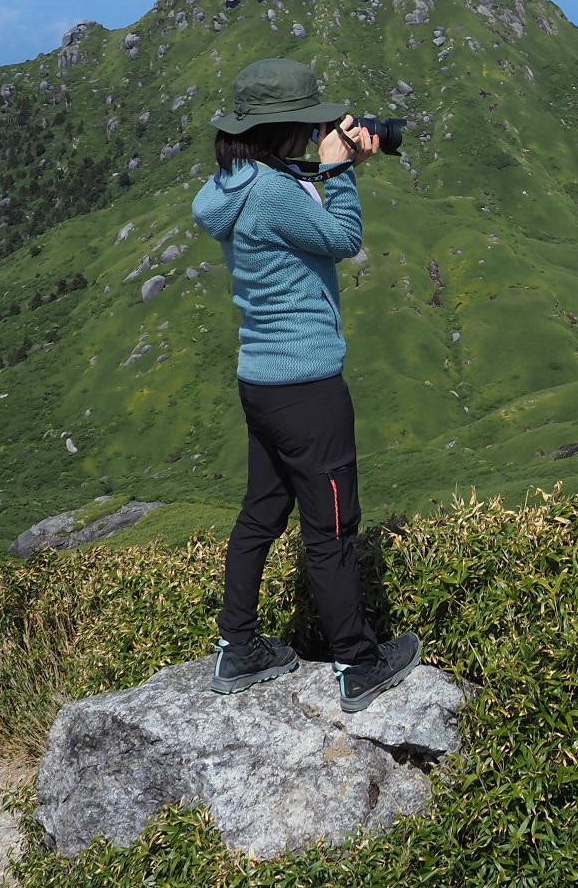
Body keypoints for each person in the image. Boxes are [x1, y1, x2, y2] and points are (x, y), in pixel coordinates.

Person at [192, 57, 420, 707]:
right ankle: (359, 662)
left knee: (260, 514)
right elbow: (343, 237)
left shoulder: (237, 182)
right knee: (333, 528)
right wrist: (342, 169)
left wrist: (328, 165)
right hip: (307, 390)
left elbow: (297, 213)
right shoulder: (270, 192)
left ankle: (238, 648)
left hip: (261, 382)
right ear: (285, 127)